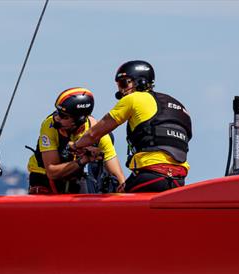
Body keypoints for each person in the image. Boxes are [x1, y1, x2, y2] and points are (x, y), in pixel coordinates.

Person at [70, 60, 192, 193]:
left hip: (150, 176)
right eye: (118, 85)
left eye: (123, 83)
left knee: (114, 203)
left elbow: (94, 134)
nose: (121, 90)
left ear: (140, 81)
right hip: (178, 180)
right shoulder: (180, 107)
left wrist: (75, 146)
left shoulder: (133, 99)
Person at [27, 87, 125, 195]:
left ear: (79, 120)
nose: (57, 118)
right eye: (57, 112)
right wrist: (83, 160)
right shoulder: (49, 126)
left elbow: (118, 177)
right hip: (43, 174)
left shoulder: (98, 134)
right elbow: (51, 172)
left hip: (74, 176)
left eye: (63, 116)